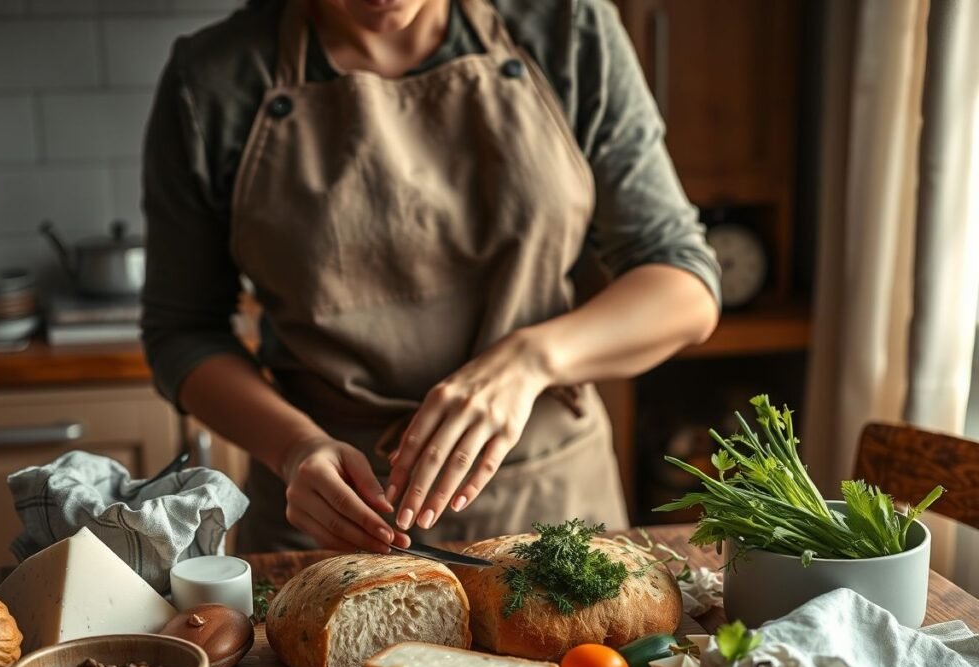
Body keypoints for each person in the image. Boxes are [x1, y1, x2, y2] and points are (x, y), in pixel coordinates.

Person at [141, 0, 721, 555]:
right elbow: (183, 330)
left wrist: (530, 359)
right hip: (333, 519)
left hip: (551, 507)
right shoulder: (213, 80)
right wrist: (296, 447)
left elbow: (682, 281)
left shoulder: (569, 31)